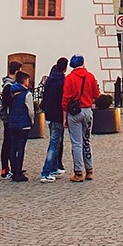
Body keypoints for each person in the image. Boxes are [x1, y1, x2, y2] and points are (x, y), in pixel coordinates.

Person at [63, 54, 99, 182]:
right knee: (86, 141)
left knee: (76, 143)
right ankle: (89, 170)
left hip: (74, 113)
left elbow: (65, 99)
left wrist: (64, 116)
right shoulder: (90, 76)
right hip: (87, 110)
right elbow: (96, 94)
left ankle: (78, 172)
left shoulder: (70, 78)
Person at [38, 58, 68, 182]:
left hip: (50, 114)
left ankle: (54, 167)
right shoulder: (63, 81)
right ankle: (46, 172)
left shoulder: (49, 80)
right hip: (58, 115)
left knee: (56, 141)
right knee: (54, 143)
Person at [0, 67, 31, 182]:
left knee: (13, 146)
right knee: (11, 145)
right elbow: (6, 102)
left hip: (12, 120)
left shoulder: (12, 86)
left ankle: (15, 167)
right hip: (11, 120)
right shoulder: (9, 87)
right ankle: (8, 168)